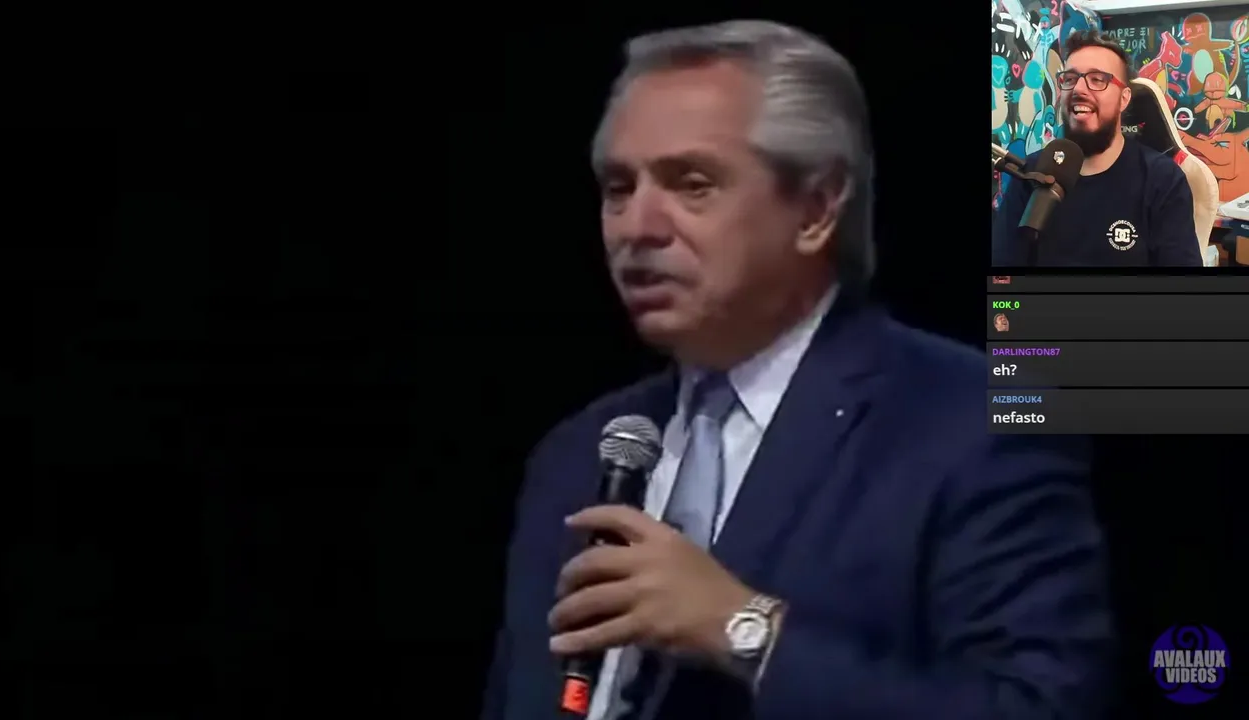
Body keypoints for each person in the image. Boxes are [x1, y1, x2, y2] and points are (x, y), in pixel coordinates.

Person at [483, 20, 1113, 720]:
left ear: (815, 209)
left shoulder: (972, 424)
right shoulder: (577, 455)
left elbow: (1039, 707)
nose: (637, 226)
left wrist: (743, 630)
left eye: (692, 184)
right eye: (618, 188)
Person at [992, 30, 1201, 267]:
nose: (1079, 89)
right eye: (1070, 79)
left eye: (1098, 79)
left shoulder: (1162, 180)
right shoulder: (1031, 173)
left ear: (1124, 99)